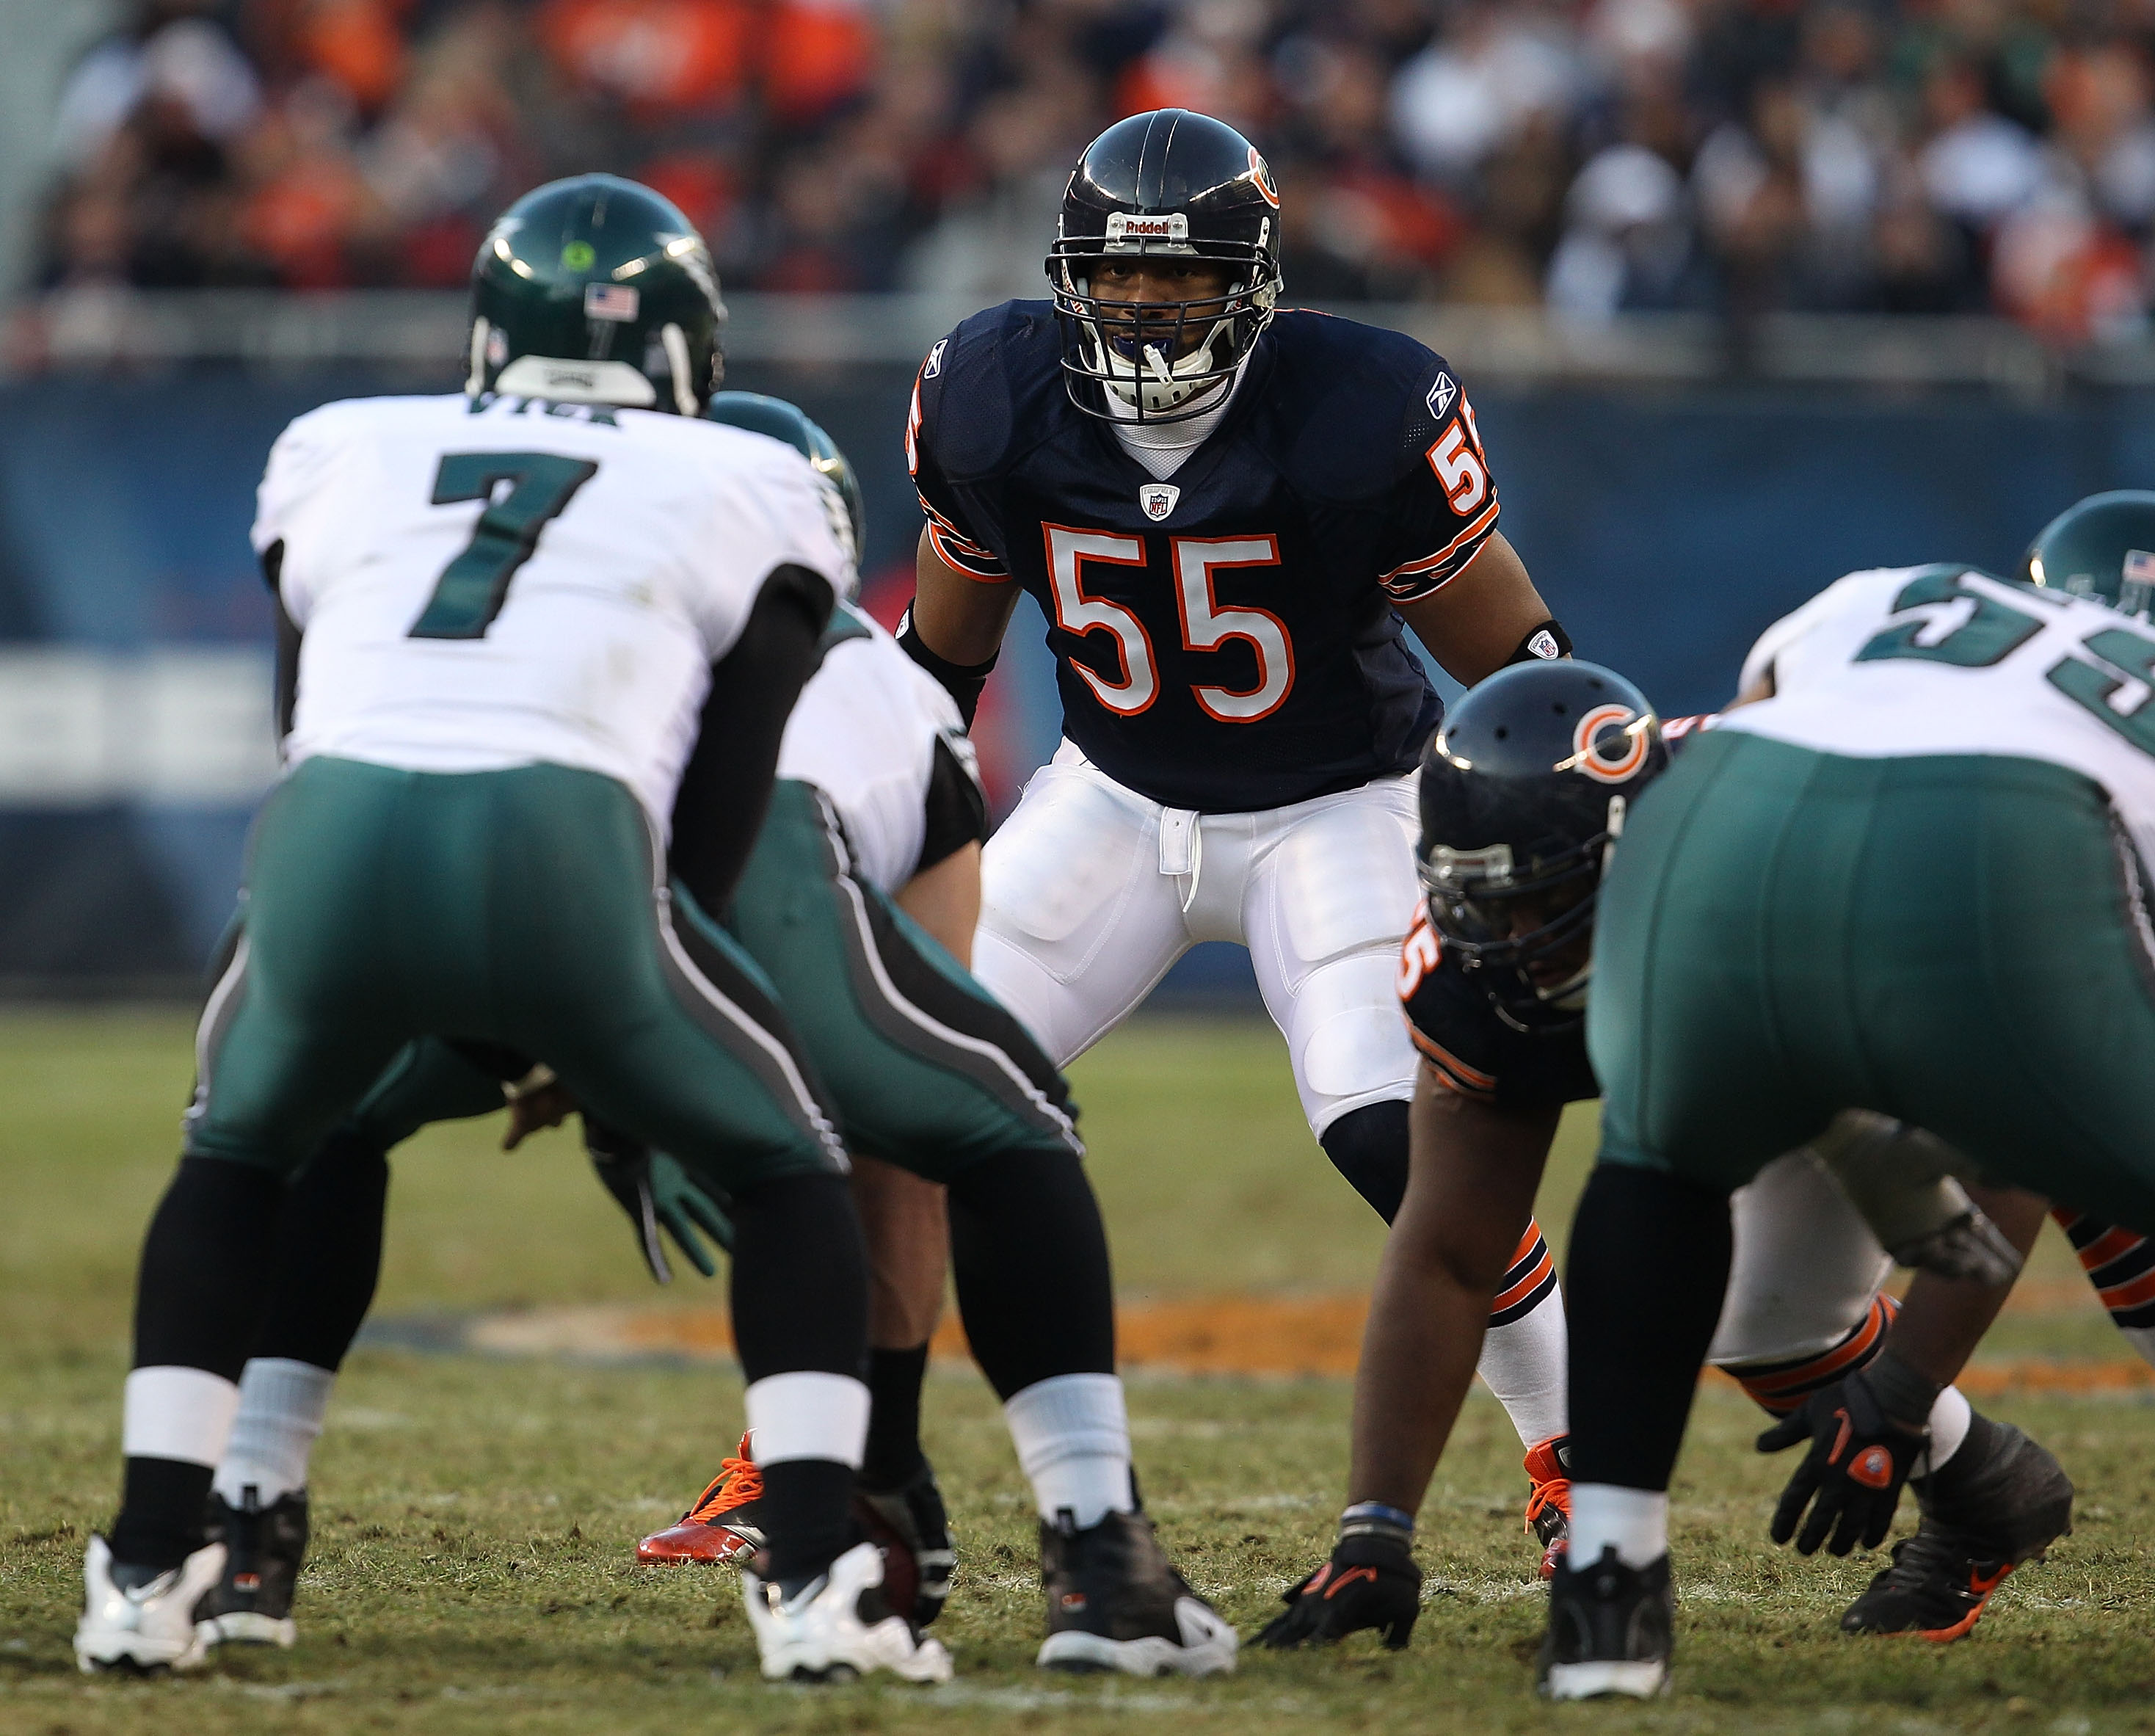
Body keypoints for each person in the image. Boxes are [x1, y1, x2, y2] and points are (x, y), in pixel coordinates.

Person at [139, 387, 1240, 1681]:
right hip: (693, 896)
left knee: (296, 1119)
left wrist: (598, 1062)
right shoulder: (871, 677)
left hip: (419, 863)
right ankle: (1072, 1541)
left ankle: (238, 1515)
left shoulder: (459, 553)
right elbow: (907, 1105)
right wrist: (659, 1070)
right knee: (993, 1112)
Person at [898, 106, 1581, 1554]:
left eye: (1183, 273)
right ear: (1068, 272)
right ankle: (811, 1455)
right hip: (1109, 798)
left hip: (1335, 805)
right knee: (890, 1098)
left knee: (1389, 1134)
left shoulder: (1356, 407)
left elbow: (1516, 659)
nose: (1144, 303)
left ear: (1256, 275)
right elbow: (940, 672)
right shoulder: (993, 390)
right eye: (1118, 274)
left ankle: (1570, 1446)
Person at [1253, 660, 2074, 1660]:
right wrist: (1375, 1526)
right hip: (1762, 1007)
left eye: (1538, 898)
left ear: (1633, 860)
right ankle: (1995, 1494)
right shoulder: (1479, 969)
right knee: (1769, 1324)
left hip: (2014, 934)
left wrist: (1905, 1391)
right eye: (1483, 897)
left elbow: (2029, 1138)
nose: (1509, 938)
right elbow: (1451, 1255)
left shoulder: (1811, 873)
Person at [1544, 517, 2155, 1698]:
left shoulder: (1904, 591)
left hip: (1718, 827)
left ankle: (1608, 1598)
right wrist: (1900, 1390)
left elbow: (1769, 709)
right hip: (1992, 862)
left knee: (1679, 1198)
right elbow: (2016, 1140)